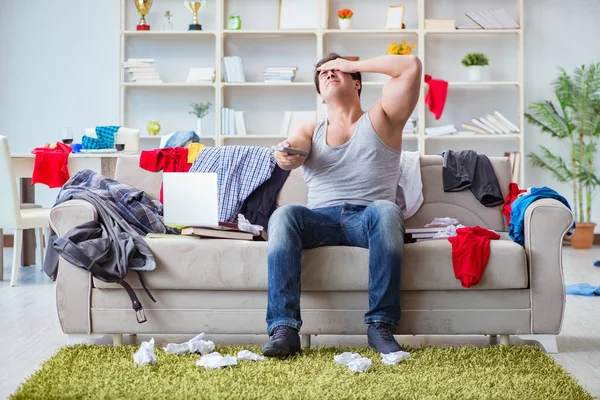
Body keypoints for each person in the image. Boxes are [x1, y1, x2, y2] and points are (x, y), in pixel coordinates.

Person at [262, 52, 422, 357]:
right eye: (323, 74)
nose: (329, 74)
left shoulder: (383, 117)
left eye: (336, 70)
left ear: (357, 82)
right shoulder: (310, 129)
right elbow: (293, 150)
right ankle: (284, 329)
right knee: (284, 215)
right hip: (319, 220)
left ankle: (380, 325)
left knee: (387, 210)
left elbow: (410, 66)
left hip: (368, 219)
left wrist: (351, 64)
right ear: (320, 96)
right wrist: (286, 155)